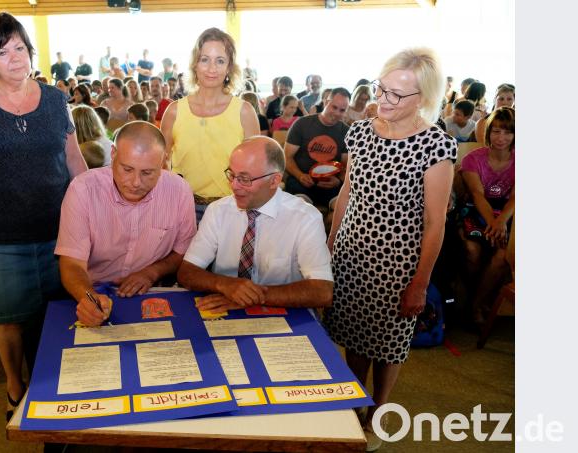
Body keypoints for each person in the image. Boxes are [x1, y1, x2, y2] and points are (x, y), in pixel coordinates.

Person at [0, 12, 87, 422]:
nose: (15, 58)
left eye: (20, 48)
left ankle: (53, 384)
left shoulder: (57, 100)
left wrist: (92, 215)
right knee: (7, 319)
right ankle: (14, 386)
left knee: (58, 313)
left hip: (58, 231)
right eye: (3, 52)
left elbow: (74, 160)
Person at [323, 48, 456, 452]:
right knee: (351, 336)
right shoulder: (360, 132)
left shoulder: (437, 145)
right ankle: (352, 403)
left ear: (424, 99)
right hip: (351, 254)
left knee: (387, 345)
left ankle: (378, 412)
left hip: (399, 264)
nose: (384, 100)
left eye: (398, 95)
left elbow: (436, 223)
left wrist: (420, 283)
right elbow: (347, 192)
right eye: (383, 89)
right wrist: (328, 250)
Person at [57, 122, 197, 326]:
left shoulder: (179, 191)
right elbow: (71, 263)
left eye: (148, 173)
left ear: (163, 163)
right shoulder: (83, 189)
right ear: (113, 154)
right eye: (127, 169)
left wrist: (151, 272)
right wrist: (88, 298)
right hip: (90, 289)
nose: (135, 182)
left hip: (152, 292)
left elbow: (183, 251)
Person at [177, 136, 332, 313]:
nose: (234, 186)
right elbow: (187, 272)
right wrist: (225, 285)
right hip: (224, 308)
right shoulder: (218, 211)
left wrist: (251, 297)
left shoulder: (305, 218)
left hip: (284, 316)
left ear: (274, 180)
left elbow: (322, 291)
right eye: (232, 175)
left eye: (244, 178)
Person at [161, 27, 259, 221]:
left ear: (230, 67)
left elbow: (256, 167)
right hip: (182, 207)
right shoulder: (174, 111)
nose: (212, 68)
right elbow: (160, 162)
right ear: (195, 65)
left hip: (231, 208)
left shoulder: (244, 111)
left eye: (220, 61)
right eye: (205, 59)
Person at [459, 107, 515, 325]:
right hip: (475, 209)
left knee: (503, 256)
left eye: (508, 132)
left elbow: (515, 198)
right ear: (488, 132)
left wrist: (501, 222)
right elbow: (477, 194)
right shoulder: (474, 159)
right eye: (497, 131)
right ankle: (472, 299)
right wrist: (493, 223)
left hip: (507, 213)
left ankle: (476, 305)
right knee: (472, 250)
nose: (501, 138)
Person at [283, 87, 351, 218]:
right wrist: (300, 175)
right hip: (300, 183)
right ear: (326, 102)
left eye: (342, 110)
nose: (337, 113)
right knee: (300, 214)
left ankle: (332, 238)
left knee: (346, 214)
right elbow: (287, 157)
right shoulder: (302, 124)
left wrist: (338, 180)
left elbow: (346, 165)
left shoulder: (347, 132)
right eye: (334, 107)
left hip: (331, 185)